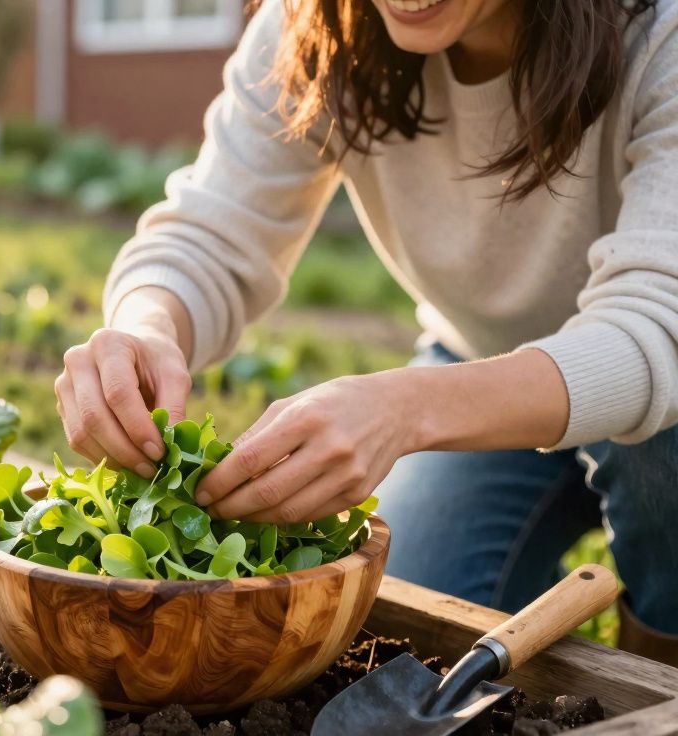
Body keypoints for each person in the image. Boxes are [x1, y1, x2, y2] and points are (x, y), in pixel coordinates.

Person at [55, 0, 678, 664]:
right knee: (417, 617)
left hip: (657, 404)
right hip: (476, 368)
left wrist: (404, 409)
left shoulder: (660, 31)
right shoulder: (321, 22)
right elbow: (210, 231)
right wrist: (145, 326)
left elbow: (656, 330)